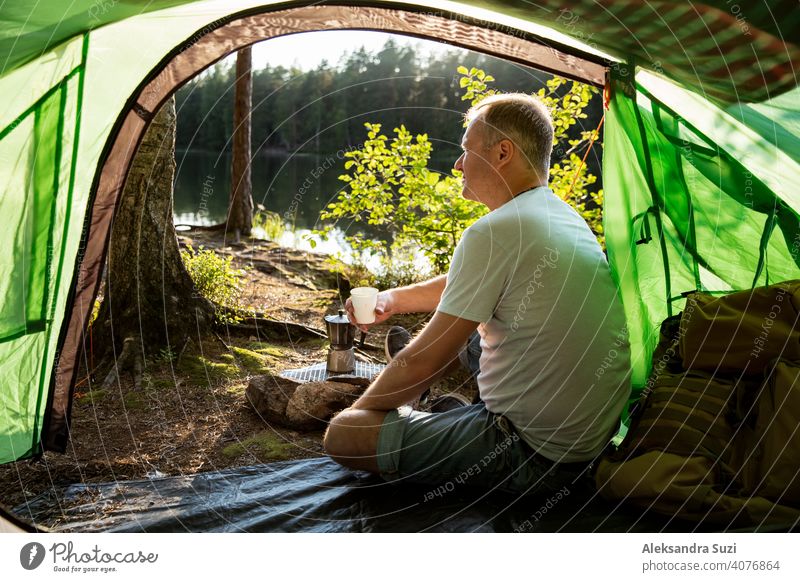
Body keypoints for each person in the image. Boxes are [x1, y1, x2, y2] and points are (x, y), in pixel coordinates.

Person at [323, 93, 631, 496]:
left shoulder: (495, 231)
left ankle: (442, 420)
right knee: (472, 335)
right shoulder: (558, 215)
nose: (457, 163)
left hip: (534, 456)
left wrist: (362, 410)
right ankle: (447, 416)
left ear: (503, 152)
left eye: (466, 150)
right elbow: (469, 283)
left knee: (345, 435)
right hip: (590, 440)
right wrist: (393, 299)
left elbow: (425, 362)